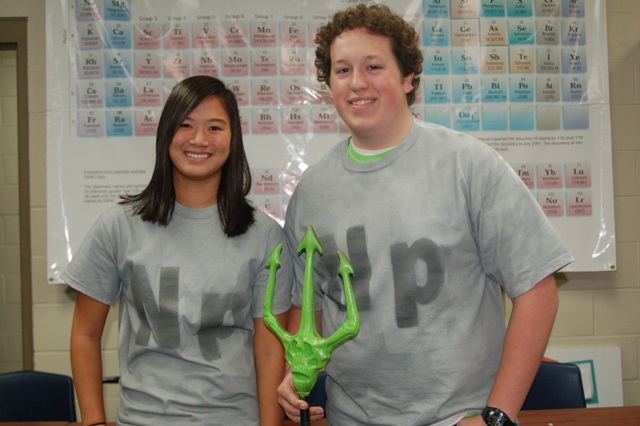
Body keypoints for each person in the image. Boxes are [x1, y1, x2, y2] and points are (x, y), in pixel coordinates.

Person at [277, 3, 573, 426]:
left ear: (408, 76)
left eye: (374, 66)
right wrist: (296, 374)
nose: (357, 83)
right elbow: (317, 310)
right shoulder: (311, 192)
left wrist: (497, 416)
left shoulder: (469, 166)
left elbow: (538, 290)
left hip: (459, 417)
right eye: (342, 70)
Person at [64, 75, 292, 425]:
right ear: (166, 134)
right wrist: (93, 421)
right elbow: (85, 333)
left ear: (233, 139)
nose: (199, 139)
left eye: (215, 127)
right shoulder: (118, 227)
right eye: (185, 125)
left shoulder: (265, 236)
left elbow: (268, 350)